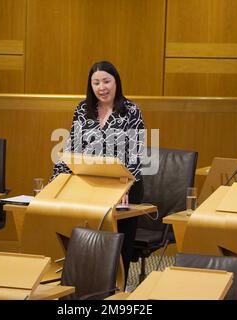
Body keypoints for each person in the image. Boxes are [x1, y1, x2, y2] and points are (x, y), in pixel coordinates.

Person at [52, 61, 145, 285]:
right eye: (96, 83)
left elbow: (135, 154)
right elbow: (71, 149)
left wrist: (124, 187)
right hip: (91, 185)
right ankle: (87, 285)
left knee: (116, 241)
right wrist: (55, 183)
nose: (101, 87)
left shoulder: (131, 110)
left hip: (125, 185)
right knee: (86, 238)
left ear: (116, 82)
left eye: (106, 81)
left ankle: (116, 287)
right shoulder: (83, 109)